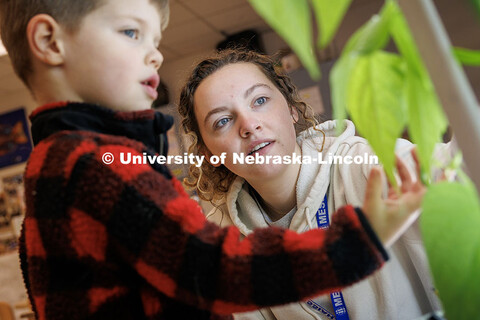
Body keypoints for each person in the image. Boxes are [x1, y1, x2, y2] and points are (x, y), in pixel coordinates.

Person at [0, 0, 425, 319]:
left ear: (293, 108)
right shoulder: (99, 162)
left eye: (155, 38)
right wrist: (357, 242)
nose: (155, 55)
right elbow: (215, 269)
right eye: (132, 33)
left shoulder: (55, 162)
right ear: (49, 42)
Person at [178, 49, 443, 320]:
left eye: (259, 100)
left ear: (292, 110)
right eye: (222, 121)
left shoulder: (366, 165)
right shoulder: (225, 242)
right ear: (210, 155)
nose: (249, 125)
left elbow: (444, 168)